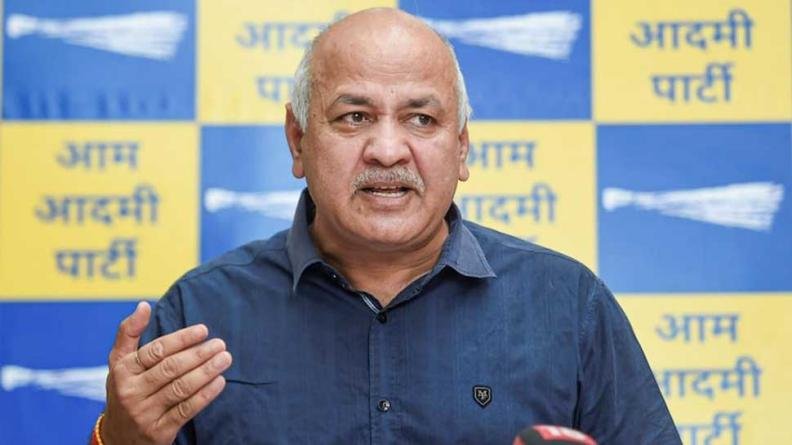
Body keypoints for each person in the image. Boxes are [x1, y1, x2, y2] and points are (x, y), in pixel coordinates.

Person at [93, 8, 681, 445]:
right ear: (298, 140)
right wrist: (116, 441)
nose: (387, 149)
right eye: (355, 117)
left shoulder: (567, 305)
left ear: (461, 146)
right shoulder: (200, 314)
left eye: (420, 119)